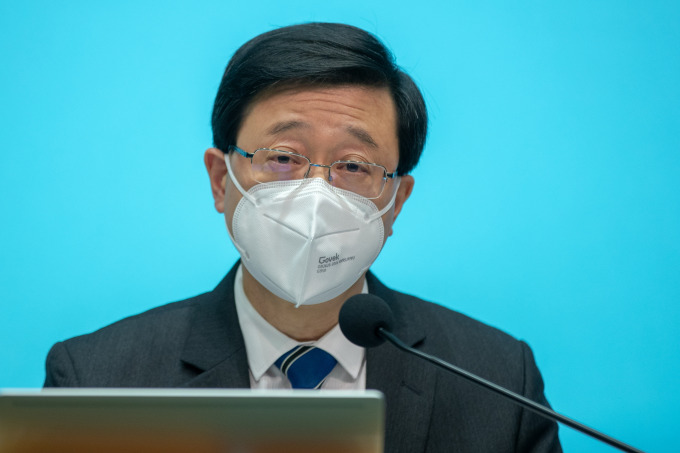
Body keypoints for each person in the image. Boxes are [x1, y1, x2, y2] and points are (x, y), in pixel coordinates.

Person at [44, 22, 562, 452]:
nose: (316, 194)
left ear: (396, 202)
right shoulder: (97, 379)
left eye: (353, 165)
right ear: (221, 180)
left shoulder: (496, 382)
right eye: (283, 157)